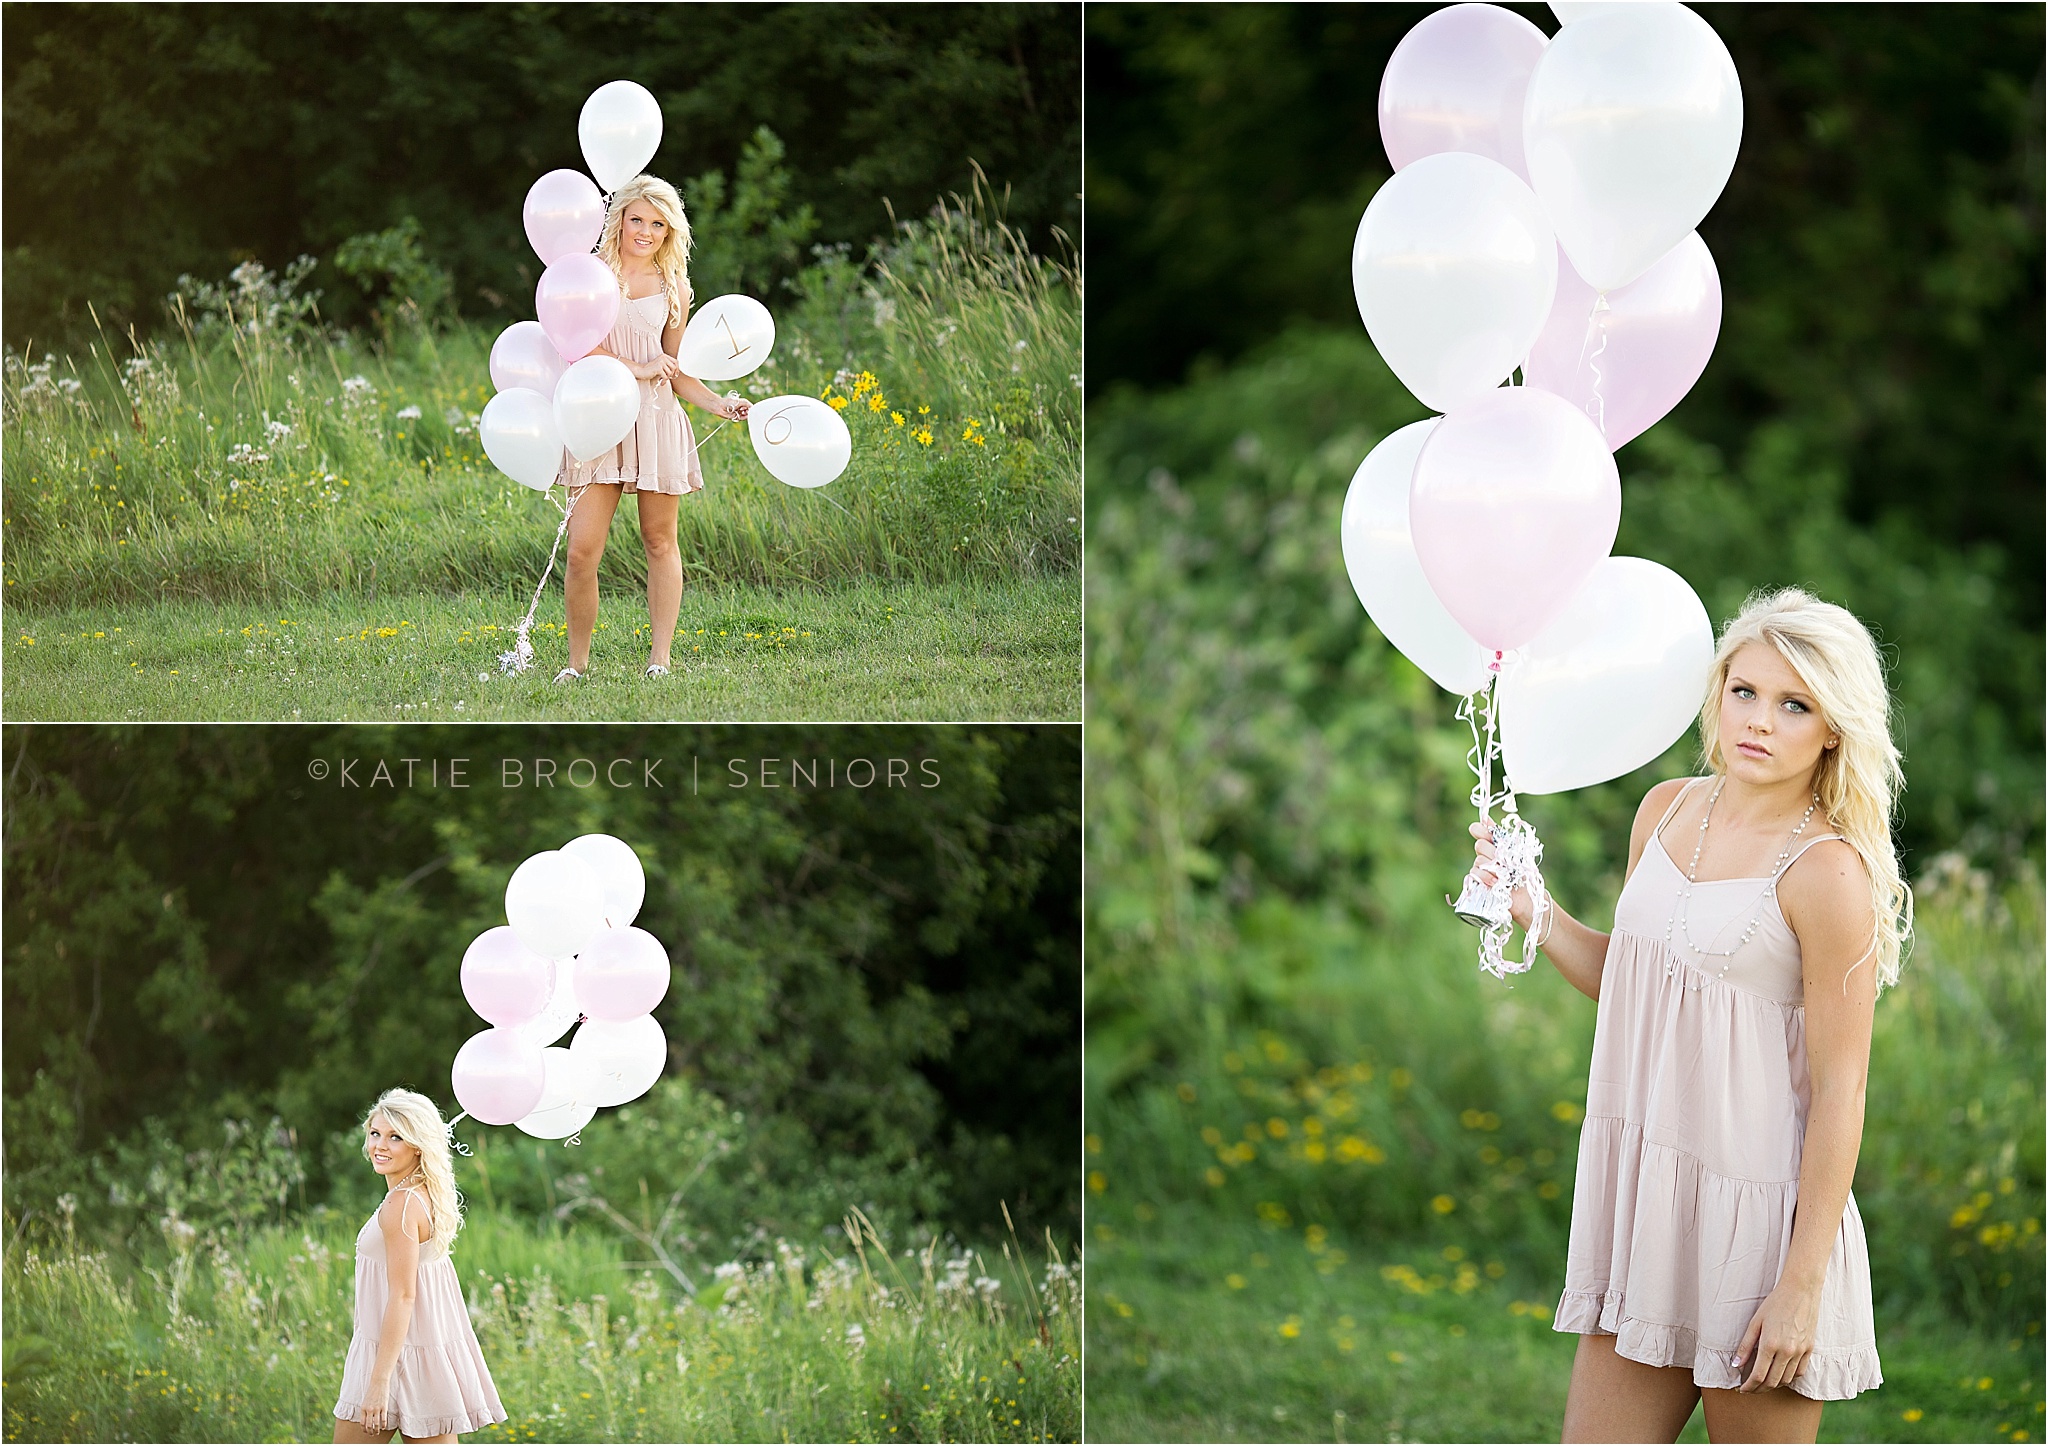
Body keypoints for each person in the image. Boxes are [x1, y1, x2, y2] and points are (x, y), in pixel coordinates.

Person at [1471, 587, 1911, 1444]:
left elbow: (1843, 1090)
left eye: (1794, 705)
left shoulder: (1829, 876)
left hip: (1760, 1231)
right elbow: (1637, 980)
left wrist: (1799, 1285)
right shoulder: (1667, 808)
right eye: (1743, 691)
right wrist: (1536, 910)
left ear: (1833, 729)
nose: (1759, 720)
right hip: (1650, 1211)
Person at [553, 174, 749, 683]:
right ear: (618, 220)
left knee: (660, 541)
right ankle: (576, 665)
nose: (645, 231)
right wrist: (635, 369)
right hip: (597, 418)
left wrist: (718, 403)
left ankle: (660, 660)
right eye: (636, 219)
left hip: (657, 422)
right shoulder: (590, 274)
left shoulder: (674, 287)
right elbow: (574, 345)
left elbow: (677, 368)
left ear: (669, 232)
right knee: (581, 551)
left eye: (657, 224)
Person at [332, 1089, 506, 1443]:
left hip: (389, 1355)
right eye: (375, 1133)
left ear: (417, 1145)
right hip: (426, 1355)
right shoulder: (424, 1192)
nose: (380, 1145)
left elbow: (403, 1296)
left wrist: (378, 1383)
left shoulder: (401, 1205)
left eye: (395, 1136)